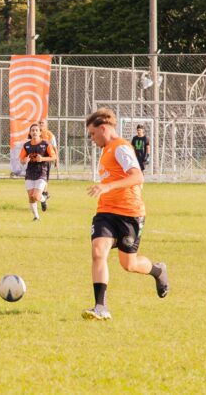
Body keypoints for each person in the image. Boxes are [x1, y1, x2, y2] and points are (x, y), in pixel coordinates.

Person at [83, 108, 168, 321]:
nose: (91, 139)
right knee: (98, 252)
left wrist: (107, 186)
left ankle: (157, 270)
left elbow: (137, 177)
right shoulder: (106, 149)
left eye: (93, 134)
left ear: (103, 128)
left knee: (129, 264)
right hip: (105, 212)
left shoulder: (121, 148)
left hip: (130, 213)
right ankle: (100, 307)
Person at [19, 123, 56, 221]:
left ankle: (43, 200)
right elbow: (21, 160)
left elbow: (53, 157)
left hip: (41, 172)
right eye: (32, 130)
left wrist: (42, 158)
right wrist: (25, 160)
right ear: (30, 133)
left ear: (40, 133)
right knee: (31, 197)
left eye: (36, 130)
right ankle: (36, 217)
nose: (34, 132)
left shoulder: (45, 144)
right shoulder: (26, 145)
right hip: (30, 172)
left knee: (36, 196)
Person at [37, 119, 58, 211]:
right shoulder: (35, 133)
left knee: (44, 178)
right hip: (36, 160)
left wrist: (56, 160)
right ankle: (44, 194)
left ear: (46, 124)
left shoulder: (50, 135)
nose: (41, 124)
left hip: (46, 160)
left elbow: (55, 148)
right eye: (40, 123)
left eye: (43, 123)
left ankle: (44, 195)